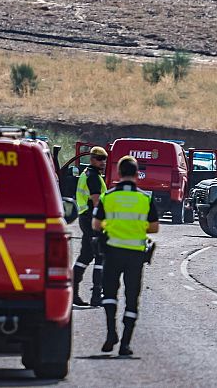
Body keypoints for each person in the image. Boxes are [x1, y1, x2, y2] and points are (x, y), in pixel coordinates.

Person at [93, 156, 159, 356]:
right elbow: (154, 228)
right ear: (137, 174)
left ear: (119, 173)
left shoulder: (108, 197)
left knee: (110, 294)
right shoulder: (145, 198)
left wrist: (111, 226)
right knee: (132, 298)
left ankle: (111, 333)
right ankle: (125, 344)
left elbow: (96, 225)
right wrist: (137, 227)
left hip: (112, 252)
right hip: (135, 256)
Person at [72, 146, 108, 307]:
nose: (103, 162)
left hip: (85, 218)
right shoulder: (93, 176)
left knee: (85, 256)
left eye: (105, 159)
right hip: (92, 220)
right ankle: (96, 295)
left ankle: (72, 292)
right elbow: (96, 201)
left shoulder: (86, 173)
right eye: (100, 159)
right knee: (100, 257)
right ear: (92, 159)